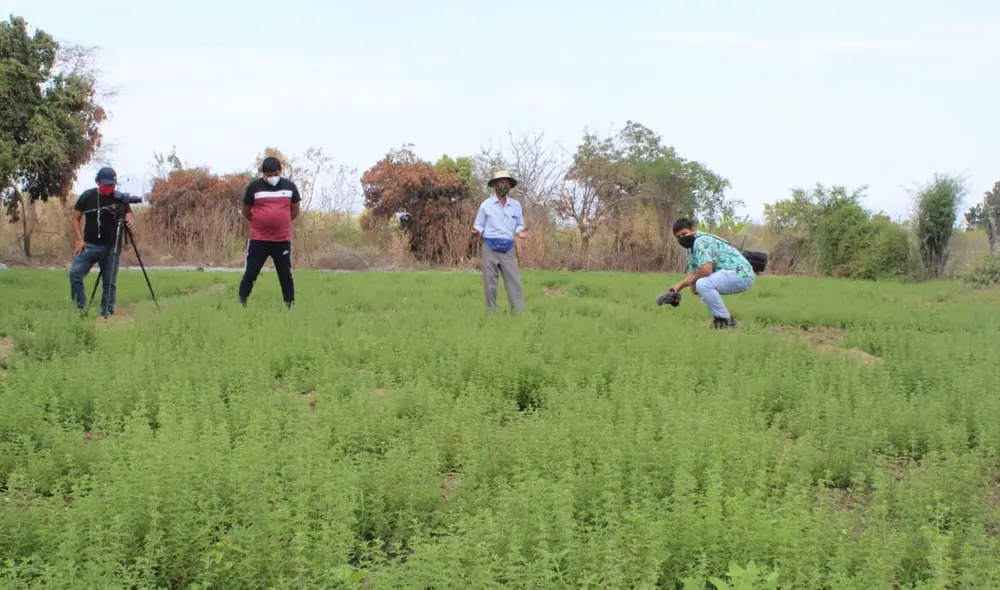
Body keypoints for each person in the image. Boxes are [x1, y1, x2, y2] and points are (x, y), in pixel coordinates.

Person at [69, 166, 135, 318]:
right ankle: (80, 309)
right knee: (75, 274)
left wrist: (129, 219)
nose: (109, 188)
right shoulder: (87, 196)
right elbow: (75, 218)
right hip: (89, 244)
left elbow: (129, 214)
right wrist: (79, 240)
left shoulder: (119, 198)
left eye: (111, 185)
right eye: (105, 185)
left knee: (109, 281)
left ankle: (106, 313)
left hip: (111, 247)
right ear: (98, 182)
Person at [668, 218, 755, 329]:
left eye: (684, 233)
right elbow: (694, 273)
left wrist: (693, 282)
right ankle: (725, 319)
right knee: (701, 285)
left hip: (741, 274)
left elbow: (706, 270)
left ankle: (723, 320)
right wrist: (679, 286)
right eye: (678, 237)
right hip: (730, 274)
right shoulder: (690, 248)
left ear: (693, 230)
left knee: (702, 284)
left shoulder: (701, 241)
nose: (682, 238)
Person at [238, 156, 301, 308]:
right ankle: (242, 300)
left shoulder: (290, 187)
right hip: (259, 239)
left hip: (281, 240)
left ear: (280, 171)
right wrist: (260, 222)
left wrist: (281, 222)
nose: (272, 177)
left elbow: (294, 210)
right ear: (263, 173)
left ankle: (290, 304)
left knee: (285, 274)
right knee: (251, 271)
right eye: (268, 175)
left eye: (275, 174)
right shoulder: (254, 187)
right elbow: (246, 211)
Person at [473, 170, 529, 314]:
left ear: (510, 186)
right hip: (489, 247)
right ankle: (491, 312)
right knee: (490, 283)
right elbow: (479, 224)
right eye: (500, 182)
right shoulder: (486, 205)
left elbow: (519, 225)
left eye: (506, 182)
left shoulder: (515, 205)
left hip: (508, 248)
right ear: (495, 186)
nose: (503, 185)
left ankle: (518, 314)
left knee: (514, 282)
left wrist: (521, 231)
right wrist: (476, 230)